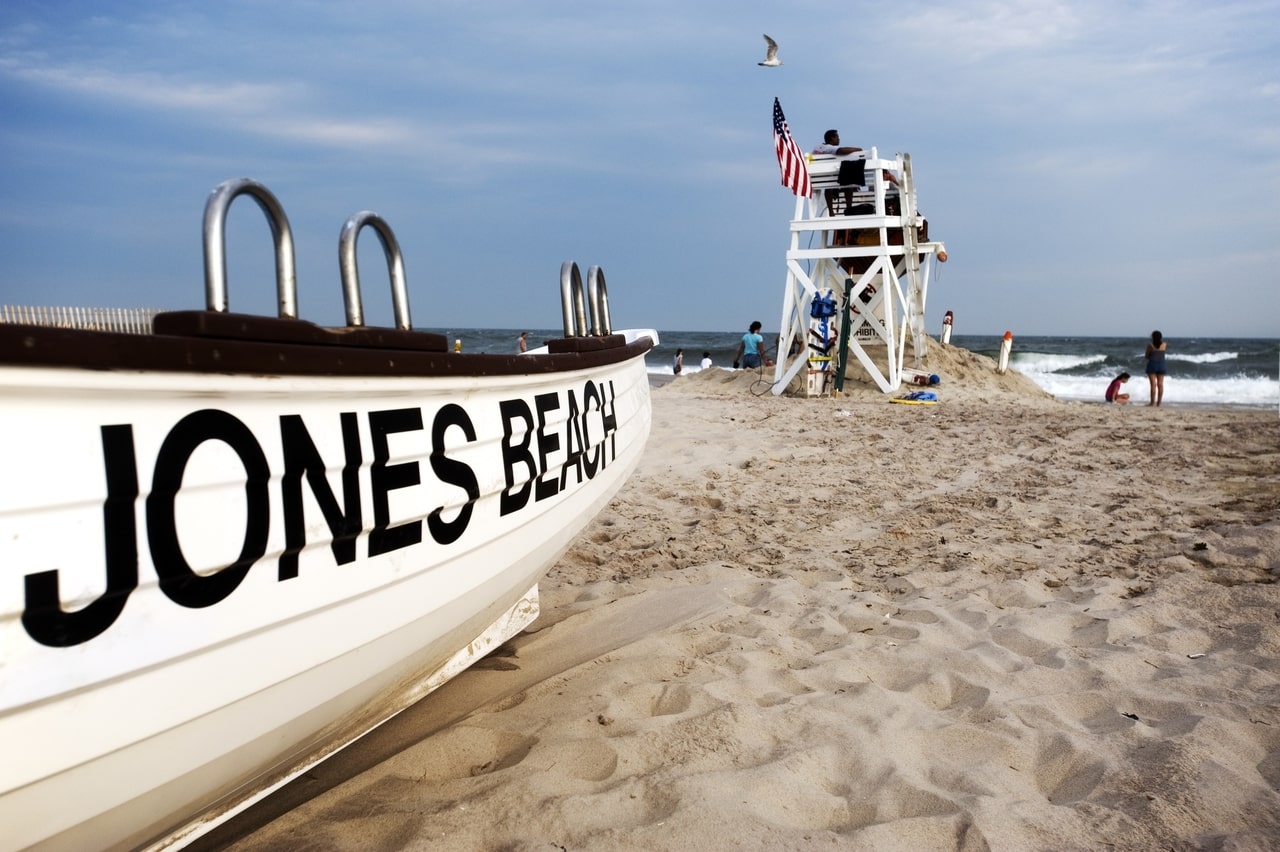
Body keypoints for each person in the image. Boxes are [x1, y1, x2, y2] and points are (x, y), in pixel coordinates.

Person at [812, 130, 899, 186]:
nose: (839, 139)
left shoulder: (817, 148)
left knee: (847, 173)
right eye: (837, 137)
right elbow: (841, 151)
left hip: (817, 180)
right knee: (849, 179)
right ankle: (888, 176)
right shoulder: (829, 148)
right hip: (834, 178)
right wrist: (857, 149)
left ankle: (832, 211)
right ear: (832, 138)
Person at [1145, 331, 1166, 406]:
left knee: (1153, 384)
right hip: (1161, 365)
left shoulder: (1150, 345)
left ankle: (1152, 402)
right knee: (1160, 384)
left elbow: (1147, 356)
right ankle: (1159, 402)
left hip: (1152, 364)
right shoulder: (1164, 344)